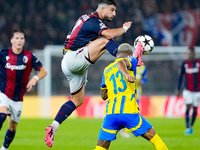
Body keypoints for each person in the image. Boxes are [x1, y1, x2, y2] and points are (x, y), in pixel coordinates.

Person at [45, 0, 144, 147]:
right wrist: (124, 28)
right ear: (102, 9)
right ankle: (130, 59)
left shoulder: (86, 19)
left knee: (77, 100)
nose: (114, 13)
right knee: (105, 41)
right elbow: (109, 34)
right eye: (112, 10)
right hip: (74, 58)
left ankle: (53, 126)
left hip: (69, 62)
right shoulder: (92, 20)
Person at [94, 43, 168, 150]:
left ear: (117, 54)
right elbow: (121, 61)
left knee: (101, 147)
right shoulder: (131, 60)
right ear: (129, 54)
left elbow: (103, 95)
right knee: (155, 138)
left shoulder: (106, 70)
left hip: (111, 114)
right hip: (129, 112)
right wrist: (126, 74)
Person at [0, 29, 47, 150]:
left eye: (21, 38)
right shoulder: (3, 54)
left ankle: (4, 148)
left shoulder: (29, 56)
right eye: (16, 38)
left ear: (24, 41)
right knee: (2, 116)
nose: (19, 41)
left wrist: (34, 79)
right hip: (4, 93)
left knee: (12, 127)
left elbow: (43, 71)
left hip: (18, 98)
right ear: (11, 40)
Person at [176, 46, 200, 135]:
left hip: (197, 90)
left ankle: (191, 126)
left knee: (195, 109)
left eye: (192, 53)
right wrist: (178, 89)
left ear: (194, 54)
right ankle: (187, 127)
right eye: (189, 53)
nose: (190, 55)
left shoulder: (198, 63)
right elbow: (180, 77)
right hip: (188, 90)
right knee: (188, 106)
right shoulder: (184, 64)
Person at [120, 64, 147, 138]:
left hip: (137, 94)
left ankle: (125, 130)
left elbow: (145, 78)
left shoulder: (143, 67)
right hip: (128, 93)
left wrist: (142, 81)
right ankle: (125, 130)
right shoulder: (130, 64)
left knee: (133, 112)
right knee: (129, 112)